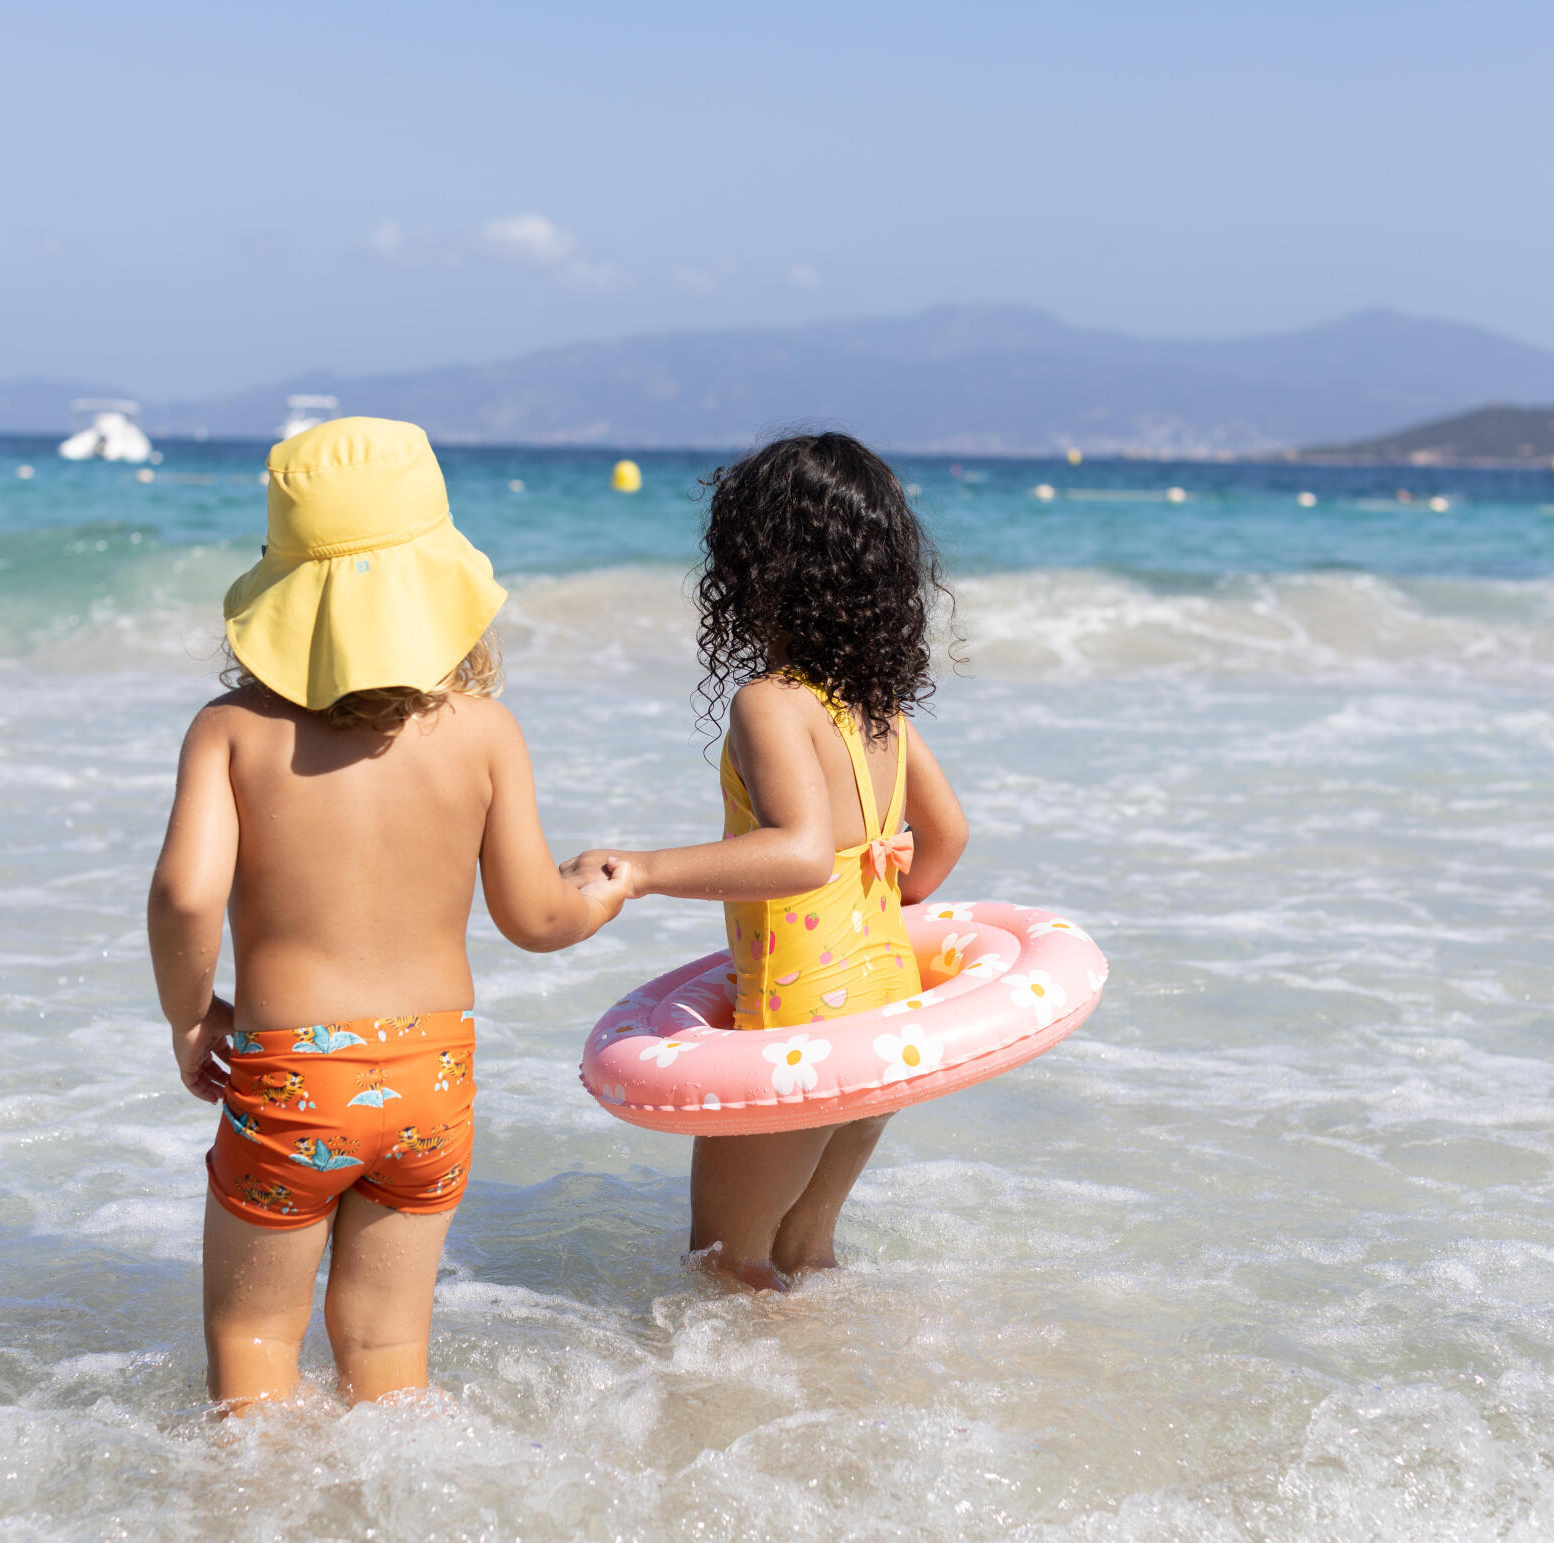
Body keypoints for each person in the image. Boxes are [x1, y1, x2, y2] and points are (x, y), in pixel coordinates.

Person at [148, 418, 627, 1410]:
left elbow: (185, 892)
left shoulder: (231, 731)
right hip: (433, 1078)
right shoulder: (487, 734)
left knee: (252, 1338)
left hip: (294, 1076)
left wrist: (193, 1016)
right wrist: (606, 887)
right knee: (386, 1351)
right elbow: (537, 918)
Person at [563, 433, 968, 1291]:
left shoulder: (770, 703)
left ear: (753, 569)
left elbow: (797, 850)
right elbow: (948, 836)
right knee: (806, 1256)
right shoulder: (878, 707)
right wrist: (891, 893)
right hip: (880, 1013)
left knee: (726, 1266)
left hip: (797, 1024)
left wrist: (640, 869)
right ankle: (822, 1405)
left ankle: (734, 1418)